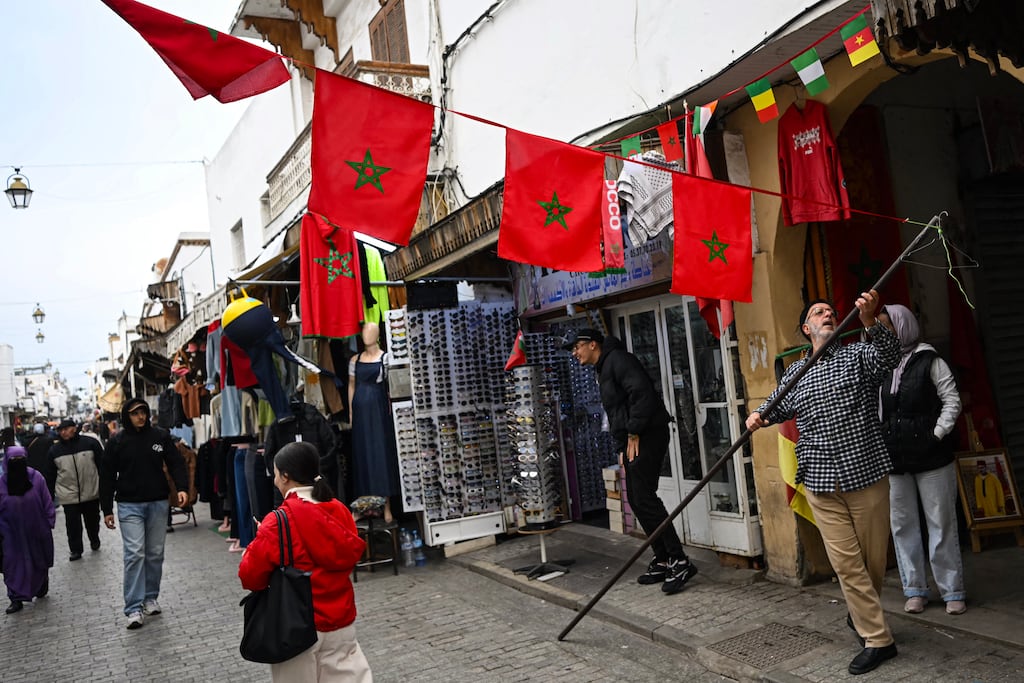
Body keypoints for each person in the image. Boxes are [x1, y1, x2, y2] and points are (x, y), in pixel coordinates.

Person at [746, 290, 900, 676]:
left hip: (865, 474)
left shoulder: (857, 355)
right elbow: (775, 405)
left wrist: (869, 321)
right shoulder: (797, 371)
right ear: (806, 327)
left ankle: (861, 613)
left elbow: (890, 357)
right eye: (819, 312)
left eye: (832, 311)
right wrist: (758, 416)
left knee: (872, 562)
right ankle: (879, 639)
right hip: (818, 480)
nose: (828, 314)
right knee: (846, 564)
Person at [567, 328, 697, 595]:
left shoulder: (619, 360)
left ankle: (679, 560)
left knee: (644, 497)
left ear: (593, 345)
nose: (574, 352)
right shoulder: (603, 368)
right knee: (637, 499)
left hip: (647, 434)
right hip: (632, 438)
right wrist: (621, 444)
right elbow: (617, 411)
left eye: (577, 347)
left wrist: (634, 431)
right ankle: (662, 558)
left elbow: (642, 395)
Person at [239, 442, 371, 682]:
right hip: (341, 621)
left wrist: (260, 541)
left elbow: (250, 576)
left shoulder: (279, 520)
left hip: (298, 625)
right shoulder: (339, 510)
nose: (275, 480)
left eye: (276, 474)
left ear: (286, 477)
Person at [877, 304, 966, 616]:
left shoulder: (930, 359)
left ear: (903, 327)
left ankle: (952, 590)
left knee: (941, 523)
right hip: (895, 459)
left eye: (888, 328)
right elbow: (880, 409)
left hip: (931, 457)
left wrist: (937, 434)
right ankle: (915, 589)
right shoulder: (882, 364)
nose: (884, 334)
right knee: (903, 525)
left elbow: (951, 400)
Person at [100, 398, 188, 630]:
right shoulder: (117, 442)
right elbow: (106, 476)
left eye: (143, 412)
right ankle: (133, 608)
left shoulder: (159, 436)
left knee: (155, 553)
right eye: (134, 413)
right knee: (134, 554)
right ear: (126, 417)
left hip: (158, 503)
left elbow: (176, 462)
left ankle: (150, 597)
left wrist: (182, 488)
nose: (140, 417)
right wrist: (106, 509)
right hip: (129, 505)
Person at [348, 322, 400, 523]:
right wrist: (351, 412)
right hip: (361, 412)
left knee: (381, 457)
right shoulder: (355, 359)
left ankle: (386, 506)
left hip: (378, 412)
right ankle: (363, 507)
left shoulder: (385, 358)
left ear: (378, 335)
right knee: (363, 458)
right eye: (363, 331)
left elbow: (392, 385)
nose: (366, 335)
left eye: (370, 331)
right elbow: (351, 386)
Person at [0, 446, 56, 614]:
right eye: (13, 461)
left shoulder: (36, 478)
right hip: (10, 533)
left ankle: (40, 584)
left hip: (36, 529)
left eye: (20, 460)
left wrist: (49, 520)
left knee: (38, 560)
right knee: (11, 564)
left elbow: (46, 499)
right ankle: (15, 597)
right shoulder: (1, 483)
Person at [44, 419, 104, 561]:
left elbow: (103, 466)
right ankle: (75, 550)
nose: (63, 432)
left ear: (74, 429)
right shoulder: (54, 451)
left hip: (90, 492)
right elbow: (50, 475)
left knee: (93, 521)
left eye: (66, 429)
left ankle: (94, 538)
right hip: (68, 495)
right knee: (72, 525)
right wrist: (49, 496)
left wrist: (105, 487)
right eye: (61, 430)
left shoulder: (90, 443)